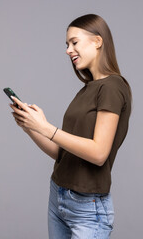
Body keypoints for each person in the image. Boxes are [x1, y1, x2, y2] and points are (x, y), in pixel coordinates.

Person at [9, 14, 132, 239]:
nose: (68, 50)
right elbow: (61, 153)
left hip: (87, 207)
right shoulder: (87, 89)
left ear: (97, 41)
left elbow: (98, 153)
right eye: (67, 45)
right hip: (59, 196)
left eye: (74, 42)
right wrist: (31, 128)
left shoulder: (113, 87)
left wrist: (46, 127)